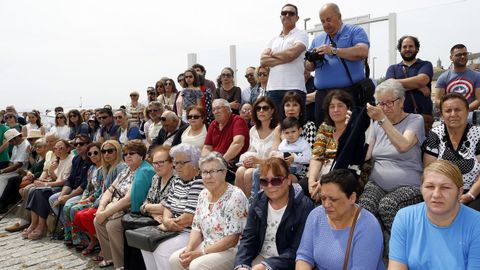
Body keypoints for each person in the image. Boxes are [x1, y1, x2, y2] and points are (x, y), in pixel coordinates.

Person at [359, 79, 425, 232]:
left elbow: (403, 145)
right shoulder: (377, 124)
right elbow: (366, 154)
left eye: (389, 103)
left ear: (401, 101)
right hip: (377, 183)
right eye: (381, 103)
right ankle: (371, 250)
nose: (385, 108)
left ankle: (400, 249)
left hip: (408, 185)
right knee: (363, 209)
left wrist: (382, 120)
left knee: (388, 205)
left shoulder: (415, 120)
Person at [389, 160, 480, 269]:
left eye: (445, 187)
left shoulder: (476, 224)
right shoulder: (404, 218)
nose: (436, 195)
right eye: (430, 187)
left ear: (459, 192)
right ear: (421, 189)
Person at [169, 152, 249, 270]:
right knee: (176, 259)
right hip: (207, 245)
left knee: (197, 266)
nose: (208, 176)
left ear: (224, 172)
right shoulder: (203, 194)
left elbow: (231, 240)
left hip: (232, 250)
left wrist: (201, 253)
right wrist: (189, 249)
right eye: (204, 172)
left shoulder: (235, 196)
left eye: (213, 171)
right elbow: (196, 228)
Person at [234, 157, 314, 270]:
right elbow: (248, 239)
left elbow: (298, 250)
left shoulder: (304, 206)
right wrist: (242, 265)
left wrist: (266, 266)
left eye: (276, 180)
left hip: (287, 264)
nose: (270, 186)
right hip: (260, 257)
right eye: (264, 181)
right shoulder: (258, 201)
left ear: (289, 180)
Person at [296, 169, 384, 270]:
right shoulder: (316, 215)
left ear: (352, 198)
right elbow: (304, 256)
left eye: (333, 199)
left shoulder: (368, 227)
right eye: (323, 198)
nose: (326, 205)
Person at [140, 143, 204, 270]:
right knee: (144, 244)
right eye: (176, 163)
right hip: (174, 228)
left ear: (194, 163)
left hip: (191, 233)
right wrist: (167, 221)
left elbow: (189, 217)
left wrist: (168, 223)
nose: (177, 167)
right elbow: (168, 207)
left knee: (161, 250)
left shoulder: (199, 182)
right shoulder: (178, 181)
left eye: (182, 163)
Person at [305, 3, 369, 126]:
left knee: (350, 134)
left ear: (339, 16)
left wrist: (334, 51)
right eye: (322, 21)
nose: (325, 24)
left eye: (329, 20)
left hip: (348, 93)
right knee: (323, 135)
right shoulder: (318, 40)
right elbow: (308, 66)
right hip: (323, 96)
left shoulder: (354, 31)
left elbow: (363, 51)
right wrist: (313, 59)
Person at [94, 140, 154, 269]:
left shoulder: (144, 171)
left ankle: (121, 264)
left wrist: (105, 214)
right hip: (116, 206)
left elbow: (128, 200)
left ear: (142, 155)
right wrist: (101, 208)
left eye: (132, 153)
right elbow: (110, 190)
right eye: (125, 154)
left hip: (133, 211)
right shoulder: (127, 170)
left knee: (112, 226)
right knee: (97, 220)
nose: (127, 156)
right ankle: (109, 257)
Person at [423, 93, 480, 211]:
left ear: (467, 111)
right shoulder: (435, 134)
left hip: (474, 191)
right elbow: (429, 170)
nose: (453, 114)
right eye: (448, 111)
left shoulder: (478, 134)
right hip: (441, 190)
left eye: (458, 110)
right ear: (442, 114)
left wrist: (470, 195)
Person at [73, 140, 126, 260]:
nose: (106, 154)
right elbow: (100, 191)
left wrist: (94, 203)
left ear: (117, 151)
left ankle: (106, 246)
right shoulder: (107, 168)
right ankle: (98, 241)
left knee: (85, 215)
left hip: (113, 205)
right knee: (78, 215)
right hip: (103, 202)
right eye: (104, 151)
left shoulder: (120, 167)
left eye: (110, 151)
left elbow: (115, 192)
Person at [261, 3, 308, 119]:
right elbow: (263, 60)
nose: (287, 15)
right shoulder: (273, 39)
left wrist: (273, 54)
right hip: (273, 89)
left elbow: (293, 54)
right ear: (280, 16)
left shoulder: (301, 34)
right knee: (276, 126)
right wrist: (286, 57)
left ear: (297, 18)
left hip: (295, 87)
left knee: (295, 126)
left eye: (291, 13)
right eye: (284, 13)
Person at [23, 139, 74, 240]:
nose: (58, 150)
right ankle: (33, 224)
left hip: (64, 188)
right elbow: (56, 177)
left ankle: (41, 226)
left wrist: (45, 183)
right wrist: (50, 172)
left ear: (68, 149)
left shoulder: (70, 159)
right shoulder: (59, 159)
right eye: (56, 148)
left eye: (61, 148)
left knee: (39, 192)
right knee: (34, 190)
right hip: (56, 185)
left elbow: (64, 181)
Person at [308, 89, 353, 202]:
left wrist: (324, 182)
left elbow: (347, 162)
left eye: (340, 105)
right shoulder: (325, 127)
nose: (336, 110)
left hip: (344, 177)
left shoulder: (354, 129)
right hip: (321, 175)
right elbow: (317, 156)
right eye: (332, 106)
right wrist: (311, 182)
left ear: (348, 108)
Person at [62, 142, 103, 250]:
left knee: (74, 209)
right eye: (90, 154)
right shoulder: (92, 169)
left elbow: (100, 191)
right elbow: (88, 187)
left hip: (97, 199)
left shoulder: (104, 169)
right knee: (67, 207)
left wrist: (86, 200)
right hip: (88, 197)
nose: (93, 155)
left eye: (95, 153)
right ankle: (70, 236)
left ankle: (83, 240)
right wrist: (84, 198)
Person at [235, 96, 278, 198]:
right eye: (258, 108)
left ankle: (253, 207)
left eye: (265, 108)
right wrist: (247, 160)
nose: (261, 111)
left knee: (249, 173)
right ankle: (241, 206)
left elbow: (276, 157)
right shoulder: (253, 130)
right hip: (256, 165)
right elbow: (251, 151)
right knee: (240, 170)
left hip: (271, 166)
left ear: (272, 111)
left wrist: (258, 161)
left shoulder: (278, 129)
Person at [386, 35, 433, 116]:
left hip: (422, 117)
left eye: (411, 46)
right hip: (399, 117)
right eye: (404, 47)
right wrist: (418, 86)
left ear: (417, 49)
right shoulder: (392, 68)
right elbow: (390, 87)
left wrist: (398, 85)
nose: (407, 49)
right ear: (400, 50)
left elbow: (422, 80)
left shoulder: (425, 65)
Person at [202, 99, 250, 166]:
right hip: (215, 160)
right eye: (213, 110)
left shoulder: (238, 120)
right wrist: (207, 161)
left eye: (218, 108)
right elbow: (206, 147)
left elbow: (238, 143)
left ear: (227, 109)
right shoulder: (213, 124)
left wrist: (221, 162)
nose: (215, 112)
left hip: (231, 161)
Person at [435, 44, 480, 114]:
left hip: (470, 116)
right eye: (458, 55)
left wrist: (463, 110)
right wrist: (452, 110)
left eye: (465, 54)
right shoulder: (443, 77)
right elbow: (437, 100)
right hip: (451, 116)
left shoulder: (477, 76)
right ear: (451, 57)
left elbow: (478, 100)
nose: (462, 56)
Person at [139, 146, 175, 223]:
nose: (156, 166)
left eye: (161, 162)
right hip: (154, 221)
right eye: (154, 163)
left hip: (171, 223)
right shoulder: (155, 178)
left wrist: (146, 207)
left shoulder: (178, 180)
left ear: (172, 162)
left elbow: (168, 208)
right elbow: (143, 205)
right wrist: (153, 214)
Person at [0, 129, 30, 210]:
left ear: (17, 137)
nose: (10, 143)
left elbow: (18, 164)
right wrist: (8, 168)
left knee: (2, 177)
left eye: (11, 141)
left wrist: (3, 171)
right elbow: (11, 162)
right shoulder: (15, 146)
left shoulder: (26, 144)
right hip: (15, 170)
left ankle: (2, 203)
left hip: (22, 171)